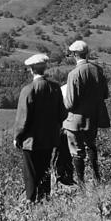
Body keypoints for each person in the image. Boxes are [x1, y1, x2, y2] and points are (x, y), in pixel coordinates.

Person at [13, 53, 67, 203]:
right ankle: (44, 200)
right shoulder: (55, 88)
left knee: (30, 173)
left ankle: (31, 201)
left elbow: (22, 120)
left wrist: (17, 137)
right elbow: (63, 114)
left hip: (31, 141)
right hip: (50, 138)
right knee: (45, 170)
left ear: (31, 69)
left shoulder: (28, 90)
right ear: (44, 68)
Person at [62, 40, 110, 187]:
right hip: (93, 117)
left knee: (77, 152)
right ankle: (97, 178)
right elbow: (105, 94)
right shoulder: (97, 70)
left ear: (75, 54)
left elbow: (70, 103)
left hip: (76, 120)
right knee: (91, 146)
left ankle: (82, 185)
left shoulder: (74, 74)